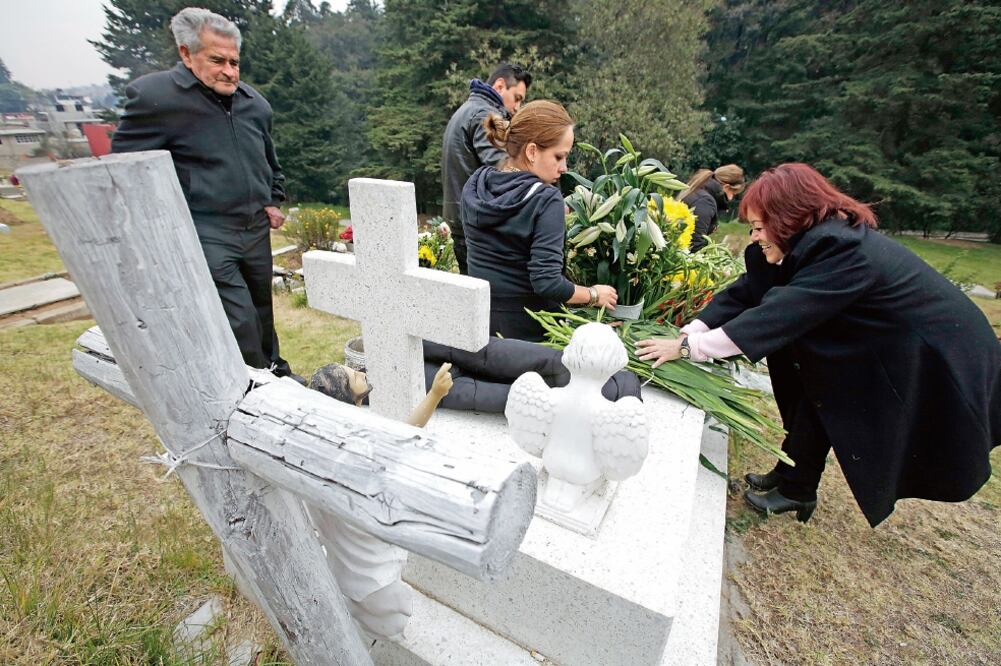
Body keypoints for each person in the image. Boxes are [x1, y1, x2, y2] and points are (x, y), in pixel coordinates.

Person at [635, 163, 1000, 527]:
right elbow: (747, 292)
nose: (754, 237)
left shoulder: (842, 248)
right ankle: (794, 481)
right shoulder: (807, 244)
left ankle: (796, 488)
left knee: (853, 409)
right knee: (816, 393)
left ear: (788, 219)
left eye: (760, 227)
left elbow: (778, 315)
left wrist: (687, 350)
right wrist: (689, 332)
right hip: (881, 338)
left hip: (934, 348)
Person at [112, 7, 299, 380]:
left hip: (253, 227)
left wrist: (272, 198)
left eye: (234, 62)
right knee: (238, 315)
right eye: (217, 60)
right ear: (186, 53)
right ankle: (253, 384)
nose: (229, 71)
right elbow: (121, 168)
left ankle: (273, 369)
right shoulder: (157, 98)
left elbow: (267, 159)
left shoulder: (254, 104)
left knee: (262, 308)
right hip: (205, 228)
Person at [461, 100, 617, 342]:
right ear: (532, 151)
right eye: (559, 156)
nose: (564, 168)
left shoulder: (475, 185)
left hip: (480, 327)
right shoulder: (546, 200)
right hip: (530, 336)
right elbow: (547, 282)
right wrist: (594, 294)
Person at [442, 63, 532, 274]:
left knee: (474, 295)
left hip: (460, 218)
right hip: (477, 225)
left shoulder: (466, 110)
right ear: (500, 86)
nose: (518, 107)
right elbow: (503, 167)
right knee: (490, 299)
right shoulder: (487, 115)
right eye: (517, 98)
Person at [677, 165, 746, 252]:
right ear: (727, 187)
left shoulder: (700, 191)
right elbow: (696, 244)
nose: (732, 198)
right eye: (734, 193)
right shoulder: (705, 202)